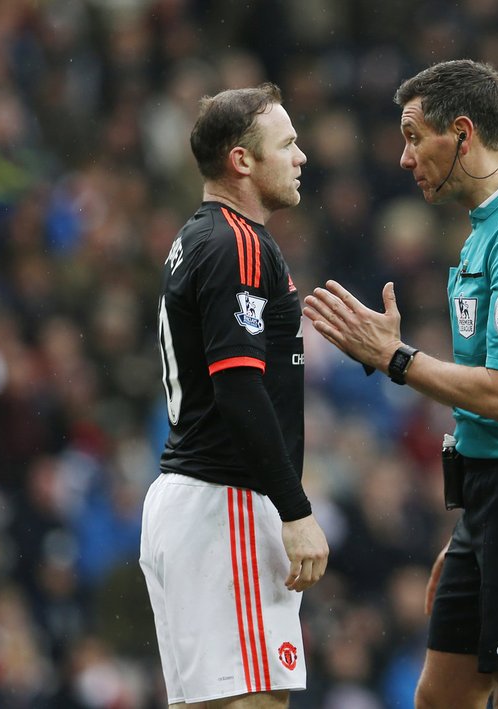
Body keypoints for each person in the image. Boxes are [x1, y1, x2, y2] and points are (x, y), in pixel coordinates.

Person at [302, 59, 498, 709]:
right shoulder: (489, 228)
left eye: (415, 136)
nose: (403, 155)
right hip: (496, 498)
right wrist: (471, 522)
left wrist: (396, 358)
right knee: (441, 696)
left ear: (462, 133)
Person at [139, 83, 329, 709]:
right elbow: (238, 388)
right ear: (242, 161)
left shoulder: (198, 238)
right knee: (256, 701)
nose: (302, 156)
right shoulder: (237, 243)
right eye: (289, 143)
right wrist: (295, 510)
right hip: (226, 507)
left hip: (192, 503)